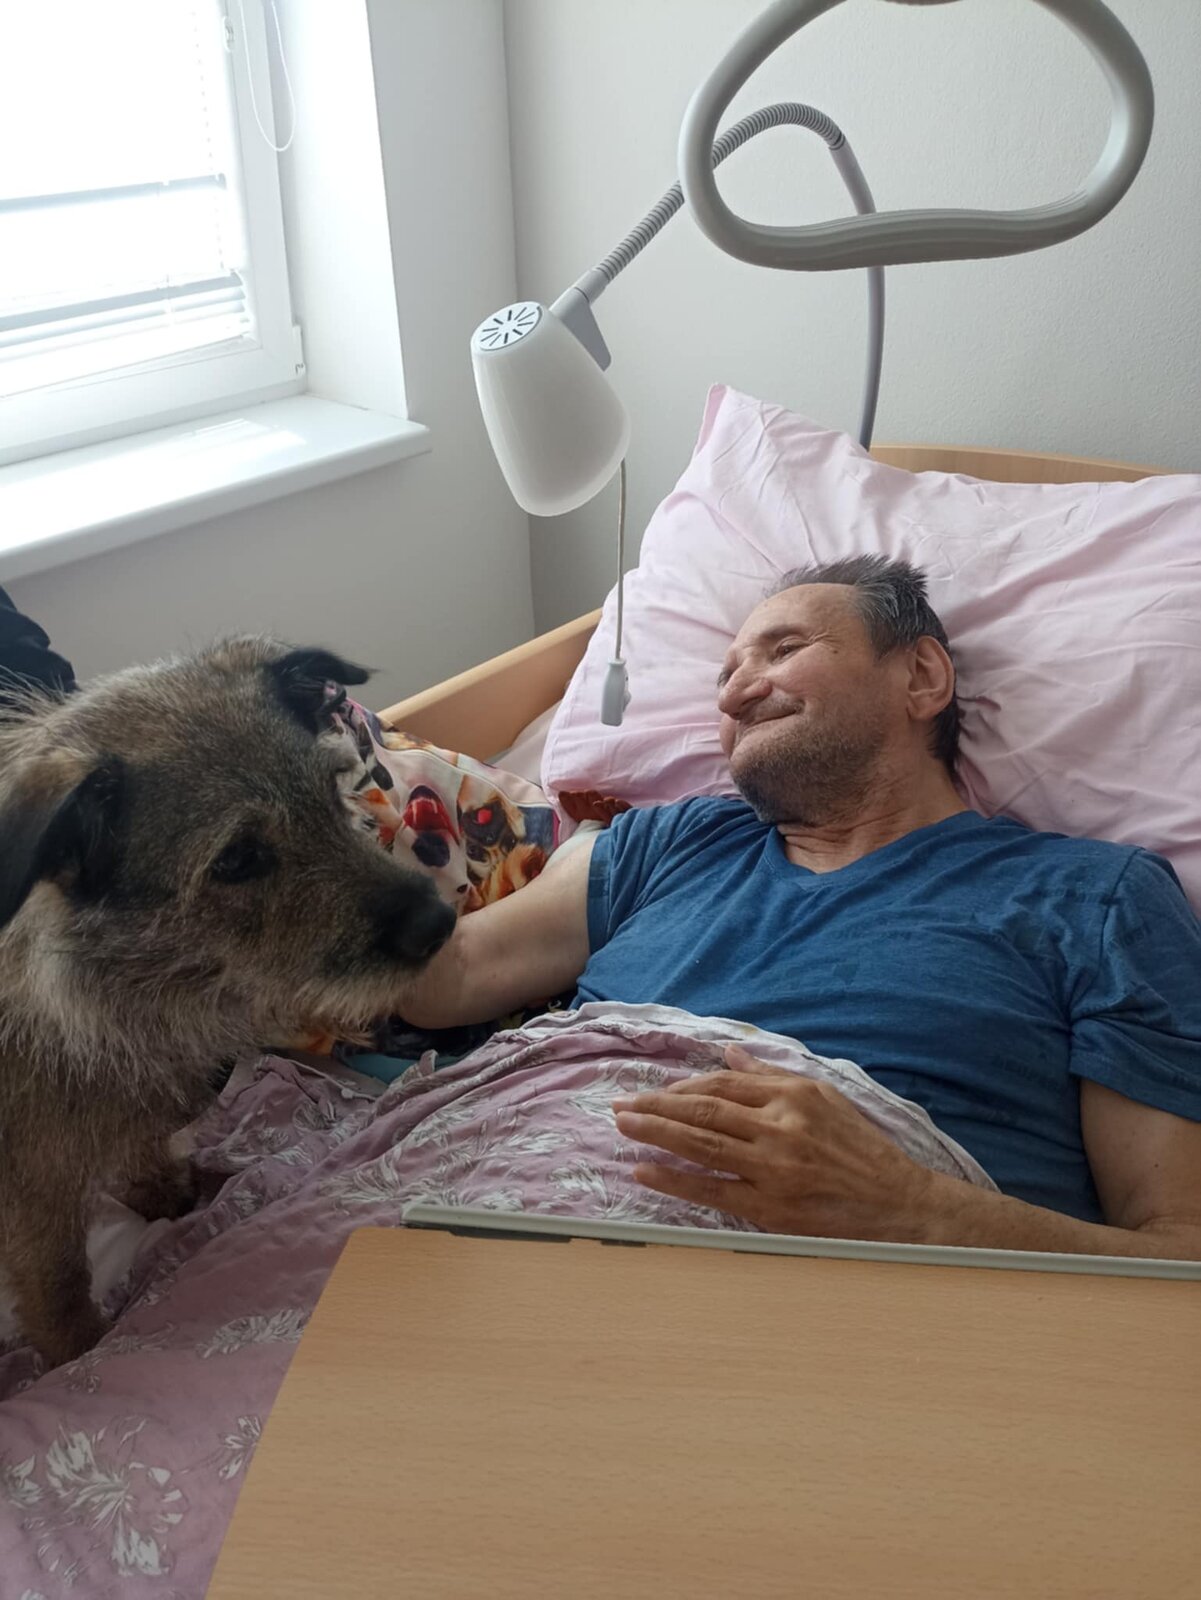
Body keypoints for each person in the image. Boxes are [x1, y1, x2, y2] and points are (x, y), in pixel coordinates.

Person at [399, 556, 1201, 1260]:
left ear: (922, 677)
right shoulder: (665, 841)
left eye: (783, 650)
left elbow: (1179, 1255)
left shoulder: (1096, 897)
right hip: (485, 1222)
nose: (735, 693)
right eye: (723, 677)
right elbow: (449, 978)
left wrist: (914, 1208)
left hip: (829, 1323)